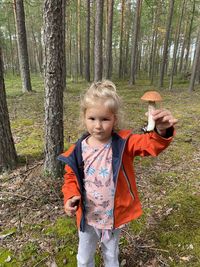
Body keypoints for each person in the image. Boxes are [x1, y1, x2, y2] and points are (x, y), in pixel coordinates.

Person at [58, 80, 178, 267]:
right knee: (83, 259)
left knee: (111, 257)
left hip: (112, 218)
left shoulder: (123, 143)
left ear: (115, 119)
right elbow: (70, 177)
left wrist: (162, 131)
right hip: (87, 218)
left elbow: (150, 145)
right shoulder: (78, 150)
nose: (98, 126)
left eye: (105, 119)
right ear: (84, 118)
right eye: (92, 119)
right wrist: (70, 197)